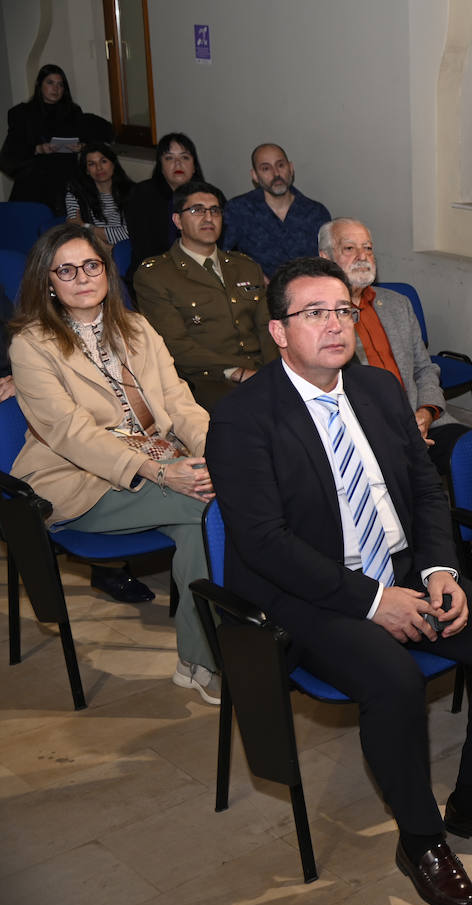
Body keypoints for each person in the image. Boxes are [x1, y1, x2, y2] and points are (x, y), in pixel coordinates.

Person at [206, 256, 472, 905]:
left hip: (402, 571)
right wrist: (373, 601)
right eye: (314, 313)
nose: (335, 325)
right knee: (394, 680)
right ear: (278, 332)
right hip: (306, 595)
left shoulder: (379, 389)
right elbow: (264, 543)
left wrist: (440, 570)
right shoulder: (242, 417)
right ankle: (421, 840)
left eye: (343, 310)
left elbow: (426, 490)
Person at [7, 223, 220, 703]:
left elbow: (180, 402)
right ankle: (211, 655)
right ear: (48, 282)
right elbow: (73, 435)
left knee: (205, 521)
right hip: (77, 479)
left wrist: (212, 453)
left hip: (157, 458)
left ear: (106, 271)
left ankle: (199, 659)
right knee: (209, 510)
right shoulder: (31, 344)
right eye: (66, 270)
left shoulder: (138, 328)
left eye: (91, 265)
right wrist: (161, 472)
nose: (82, 277)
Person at [319, 217, 463, 473]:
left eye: (368, 248)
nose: (362, 256)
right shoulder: (320, 317)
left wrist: (426, 413)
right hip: (367, 433)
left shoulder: (398, 304)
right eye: (350, 248)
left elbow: (425, 368)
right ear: (326, 257)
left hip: (420, 420)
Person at [133, 180, 275, 410]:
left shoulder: (245, 266)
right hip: (207, 380)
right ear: (178, 220)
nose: (209, 218)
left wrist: (274, 372)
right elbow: (175, 345)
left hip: (263, 373)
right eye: (197, 210)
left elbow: (268, 327)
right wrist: (237, 372)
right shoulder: (156, 275)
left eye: (215, 211)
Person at [2, 65, 110, 214]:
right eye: (50, 83)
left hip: (65, 182)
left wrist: (82, 147)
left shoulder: (73, 112)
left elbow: (97, 139)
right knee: (32, 222)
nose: (56, 89)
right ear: (39, 85)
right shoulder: (22, 114)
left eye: (60, 84)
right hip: (33, 184)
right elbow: (10, 153)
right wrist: (38, 149)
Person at [223, 143, 332, 278]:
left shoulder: (316, 213)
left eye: (280, 165)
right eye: (266, 168)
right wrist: (254, 276)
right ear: (255, 176)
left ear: (290, 168)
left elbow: (329, 262)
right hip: (259, 289)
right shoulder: (238, 210)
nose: (276, 174)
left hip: (309, 287)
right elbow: (223, 257)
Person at [125, 132, 206, 266]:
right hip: (154, 268)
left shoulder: (208, 196)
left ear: (194, 167)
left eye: (185, 157)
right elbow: (144, 249)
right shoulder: (141, 195)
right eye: (169, 158)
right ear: (161, 167)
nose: (178, 163)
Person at [64, 143, 134, 246]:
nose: (99, 168)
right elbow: (75, 228)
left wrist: (87, 227)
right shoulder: (76, 193)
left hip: (126, 249)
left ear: (113, 164)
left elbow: (133, 231)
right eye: (91, 164)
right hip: (92, 248)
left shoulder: (133, 192)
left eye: (103, 161)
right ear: (87, 170)